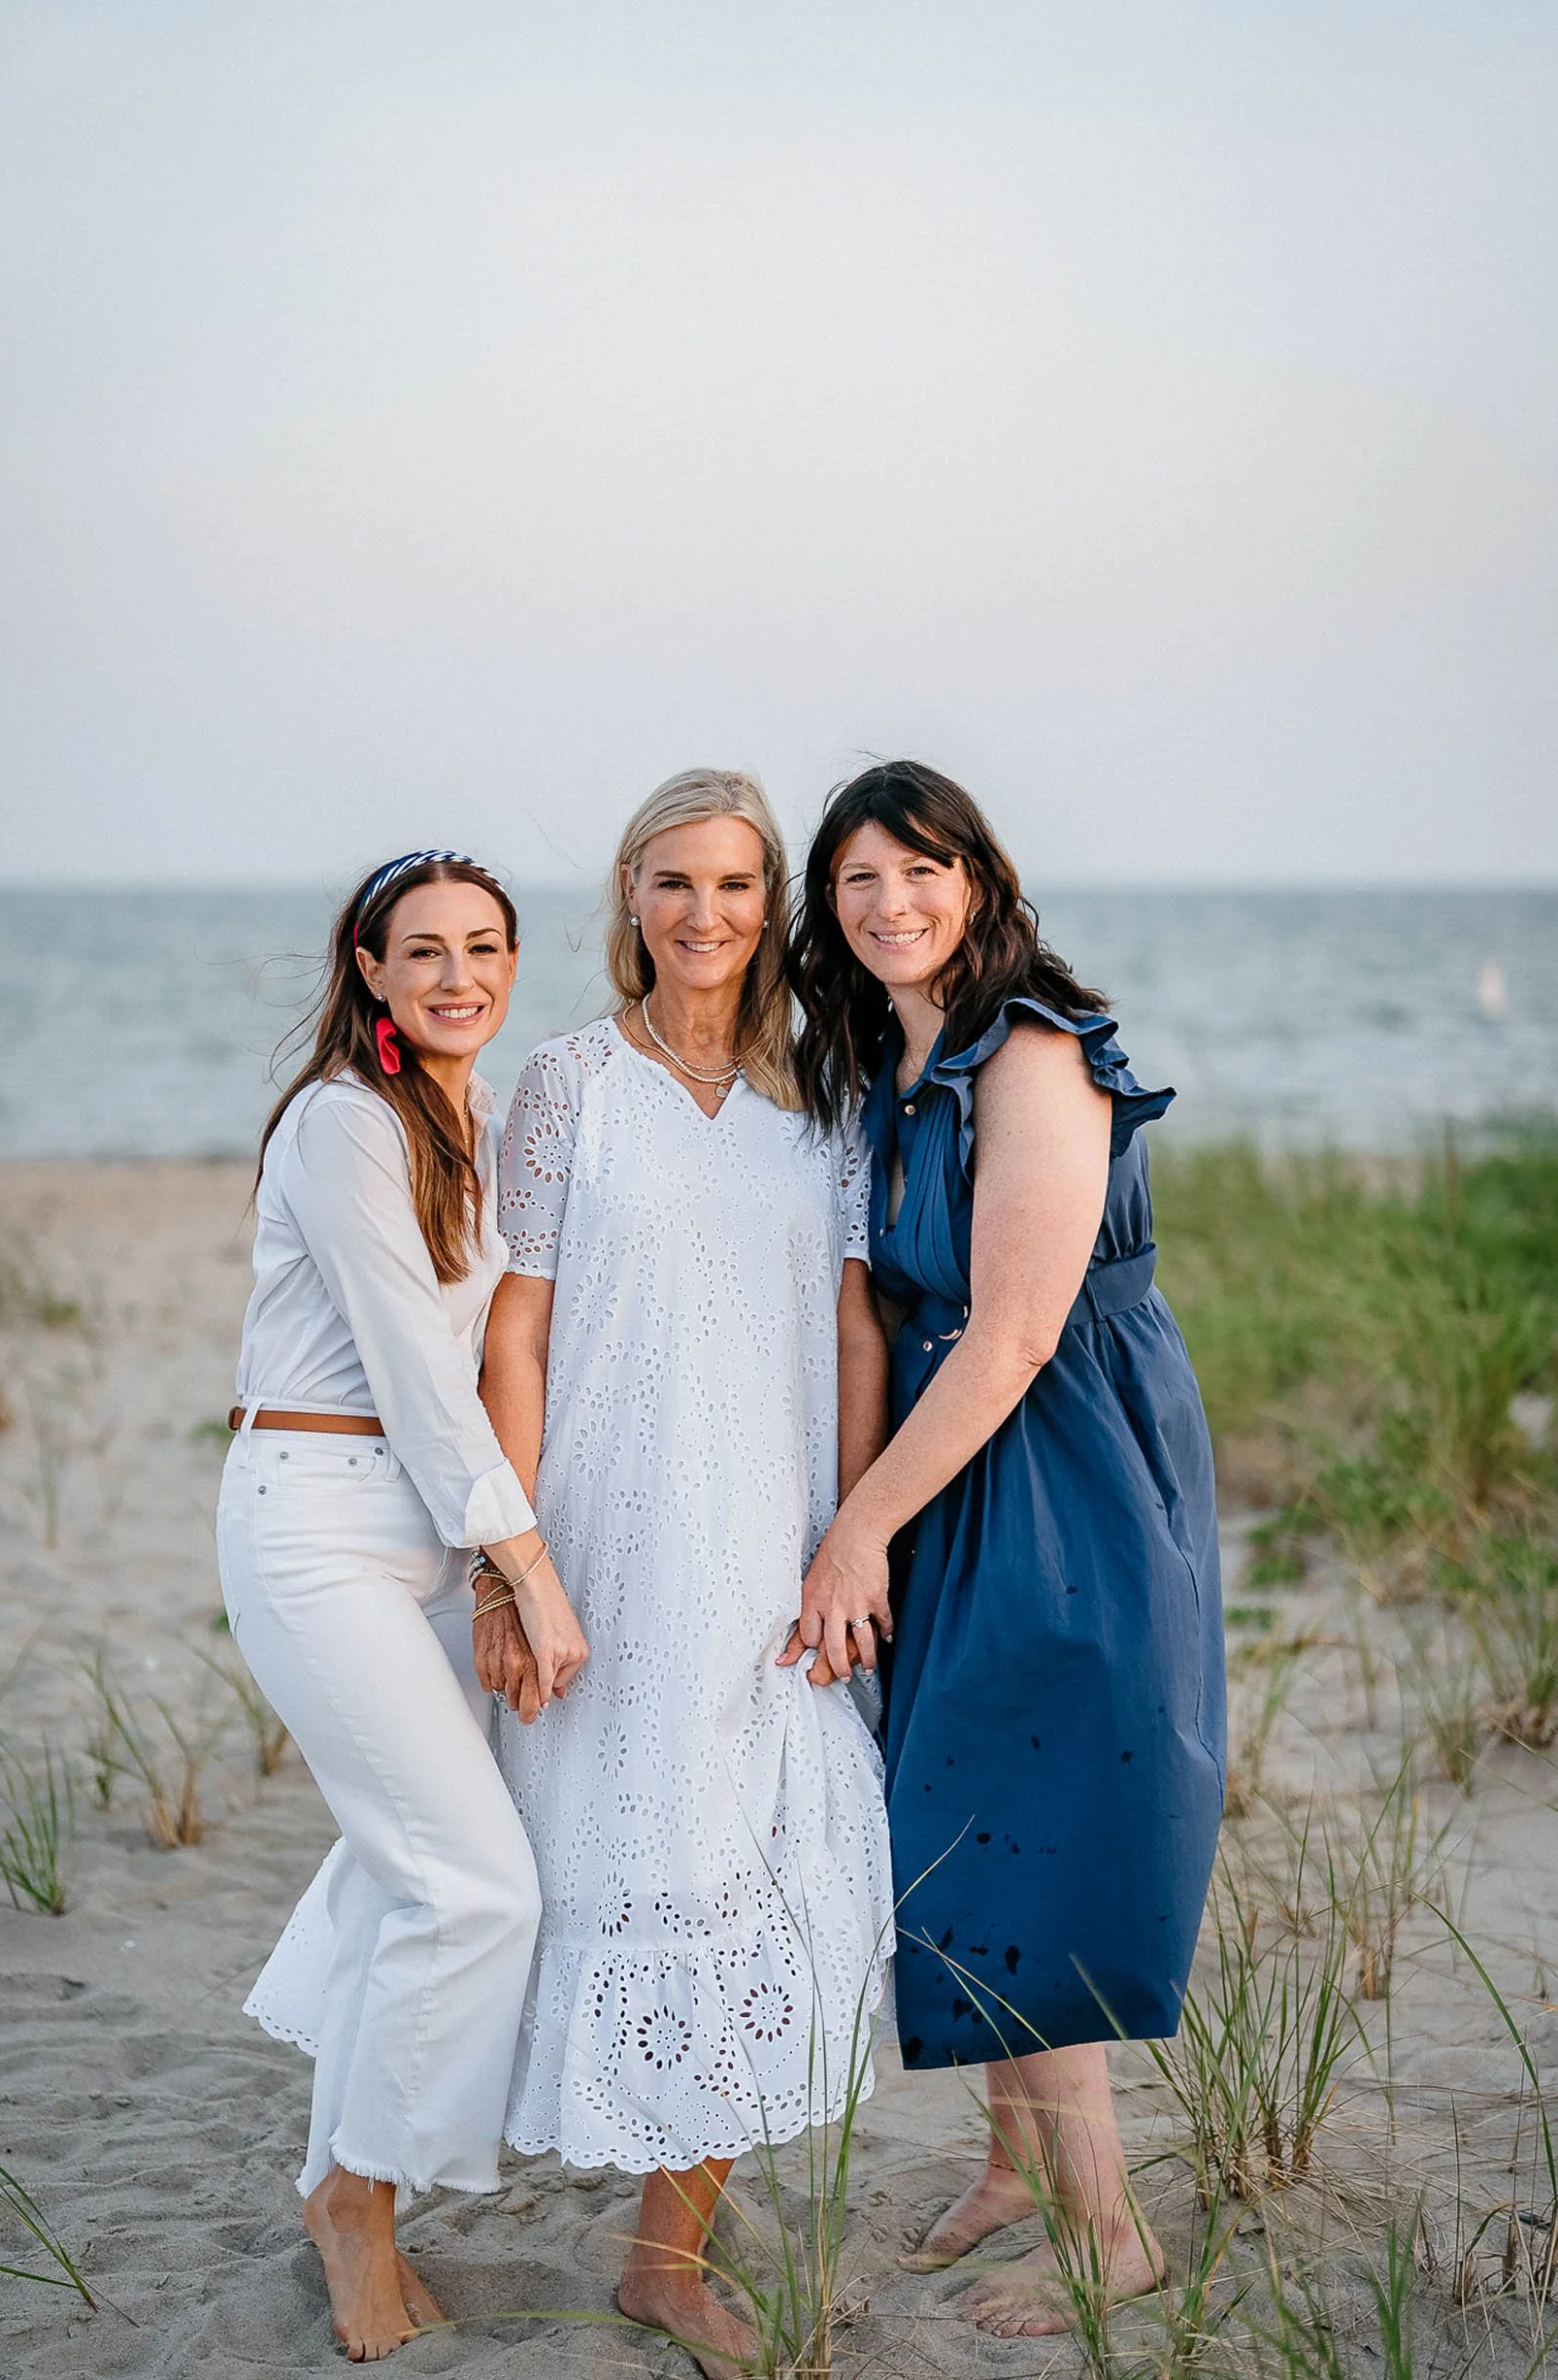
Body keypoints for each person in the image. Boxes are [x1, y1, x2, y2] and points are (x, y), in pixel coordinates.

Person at [783, 762, 1225, 2341]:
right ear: (827, 910)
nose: (890, 904)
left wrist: (855, 1529)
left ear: (975, 880)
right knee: (961, 1801)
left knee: (1029, 1803)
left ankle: (1107, 2231)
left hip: (1056, 1459)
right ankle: (1015, 2169)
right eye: (856, 883)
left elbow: (1019, 1329)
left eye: (919, 872)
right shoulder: (888, 1053)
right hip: (949, 1451)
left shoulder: (1028, 1049)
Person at [477, 770, 894, 2380]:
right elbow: (513, 1331)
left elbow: (854, 1324)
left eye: (732, 886)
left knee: (766, 1877)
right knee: (566, 1866)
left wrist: (848, 1531)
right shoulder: (569, 1083)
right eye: (671, 884)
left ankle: (665, 2258)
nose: (702, 916)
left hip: (769, 1540)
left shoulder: (825, 1100)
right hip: (600, 1536)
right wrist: (512, 1564)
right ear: (628, 901)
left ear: (768, 904)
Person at [218, 850, 587, 2364]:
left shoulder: (480, 1121)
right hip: (313, 1524)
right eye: (421, 951)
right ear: (366, 968)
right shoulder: (340, 1124)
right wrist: (531, 1570)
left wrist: (492, 1559)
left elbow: (505, 1339)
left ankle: (337, 2182)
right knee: (477, 1889)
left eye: (483, 947)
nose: (457, 976)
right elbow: (414, 1372)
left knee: (400, 1877)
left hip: (429, 1533)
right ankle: (357, 2204)